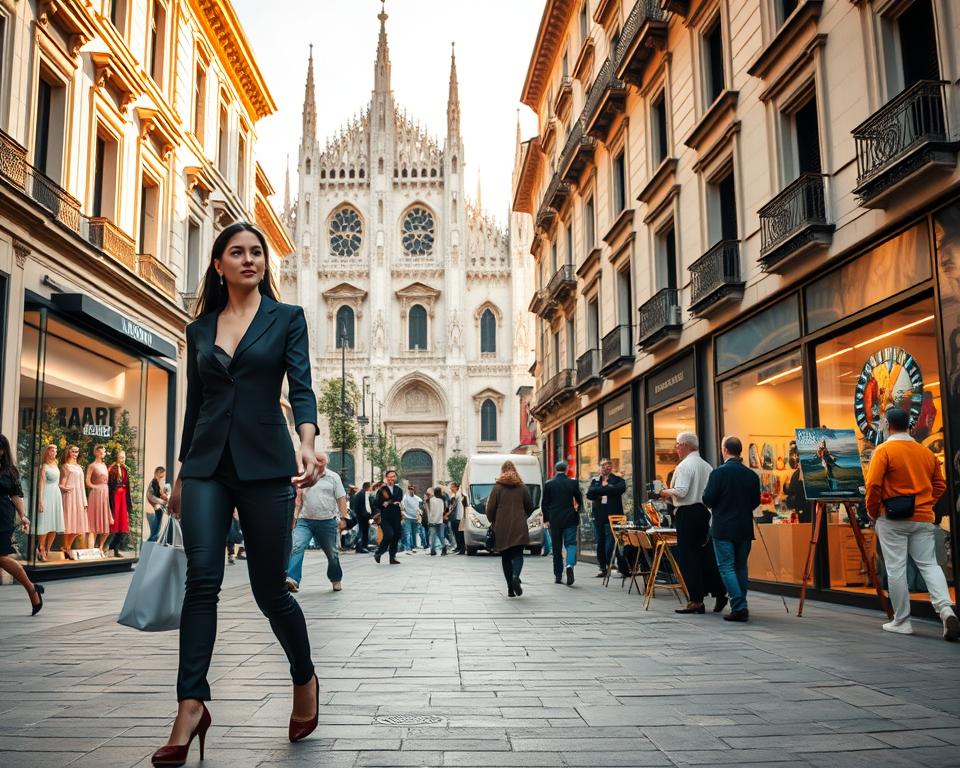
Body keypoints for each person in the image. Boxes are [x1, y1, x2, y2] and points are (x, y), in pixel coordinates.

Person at [155, 222, 322, 766]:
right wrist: (182, 473)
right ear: (219, 264)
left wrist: (307, 440)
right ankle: (190, 704)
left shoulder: (287, 318)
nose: (249, 259)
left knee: (270, 589)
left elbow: (301, 385)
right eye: (237, 252)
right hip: (206, 465)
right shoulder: (200, 329)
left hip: (266, 465)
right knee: (202, 581)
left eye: (257, 253)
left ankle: (304, 677)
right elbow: (197, 403)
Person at [865, 407, 959, 640]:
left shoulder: (883, 451)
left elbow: (874, 485)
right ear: (910, 425)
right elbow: (940, 485)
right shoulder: (924, 452)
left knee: (896, 567)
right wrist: (926, 502)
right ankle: (946, 610)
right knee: (929, 564)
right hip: (923, 517)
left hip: (892, 517)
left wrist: (873, 511)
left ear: (887, 425)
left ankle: (902, 621)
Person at [660, 432, 726, 614]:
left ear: (686, 445)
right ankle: (719, 592)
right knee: (706, 556)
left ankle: (696, 600)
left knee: (689, 558)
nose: (676, 448)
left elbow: (681, 491)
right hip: (703, 512)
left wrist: (664, 492)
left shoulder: (684, 466)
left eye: (677, 445)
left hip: (688, 514)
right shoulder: (707, 466)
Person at [702, 436, 761, 622]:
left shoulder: (719, 473)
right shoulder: (751, 475)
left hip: (724, 527)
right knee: (741, 566)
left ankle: (739, 607)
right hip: (744, 526)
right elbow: (755, 501)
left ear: (724, 450)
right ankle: (740, 604)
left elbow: (708, 499)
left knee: (726, 567)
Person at [286, 452, 348, 593]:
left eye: (321, 461)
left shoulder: (333, 477)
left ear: (325, 462)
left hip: (327, 521)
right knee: (296, 546)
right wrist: (294, 519)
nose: (318, 463)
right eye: (316, 460)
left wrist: (343, 518)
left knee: (332, 554)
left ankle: (335, 578)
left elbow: (341, 498)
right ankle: (292, 579)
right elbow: (298, 501)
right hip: (305, 520)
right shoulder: (306, 477)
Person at [0, 434, 45, 615]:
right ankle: (32, 588)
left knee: (1, 557)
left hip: (2, 515)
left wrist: (23, 516)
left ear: (3, 451)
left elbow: (16, 495)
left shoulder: (9, 471)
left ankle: (31, 587)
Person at [485, 460, 534, 597]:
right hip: (519, 526)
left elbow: (490, 508)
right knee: (518, 554)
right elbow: (530, 506)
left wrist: (493, 521)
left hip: (502, 527)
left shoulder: (497, 488)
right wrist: (523, 516)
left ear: (502, 471)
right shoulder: (522, 487)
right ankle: (515, 576)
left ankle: (510, 589)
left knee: (506, 557)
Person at [542, 461, 583, 586]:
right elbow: (579, 499)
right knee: (570, 544)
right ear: (567, 469)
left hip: (555, 520)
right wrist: (577, 509)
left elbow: (545, 503)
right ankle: (569, 564)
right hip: (570, 518)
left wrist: (546, 519)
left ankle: (558, 575)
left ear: (555, 469)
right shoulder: (572, 482)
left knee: (557, 548)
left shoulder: (549, 484)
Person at [586, 458, 627, 578]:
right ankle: (603, 568)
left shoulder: (618, 480)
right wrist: (607, 489)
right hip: (599, 516)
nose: (606, 467)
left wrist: (601, 491)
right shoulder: (595, 480)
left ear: (612, 467)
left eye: (608, 465)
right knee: (600, 542)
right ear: (600, 467)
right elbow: (590, 494)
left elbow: (619, 489)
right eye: (603, 465)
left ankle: (617, 566)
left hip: (614, 516)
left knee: (612, 543)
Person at [373, 469, 403, 564]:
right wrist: (383, 503)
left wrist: (389, 502)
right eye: (389, 477)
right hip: (385, 517)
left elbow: (398, 499)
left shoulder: (399, 490)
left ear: (395, 477)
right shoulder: (382, 490)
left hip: (396, 516)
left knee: (397, 535)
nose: (391, 479)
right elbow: (376, 503)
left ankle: (392, 557)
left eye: (393, 476)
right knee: (389, 534)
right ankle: (378, 552)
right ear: (386, 478)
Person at [146, 467, 169, 543]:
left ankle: (153, 541)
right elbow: (151, 496)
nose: (162, 479)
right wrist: (162, 501)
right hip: (153, 510)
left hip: (156, 509)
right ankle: (151, 542)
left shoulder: (156, 483)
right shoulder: (153, 483)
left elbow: (158, 494)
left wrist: (163, 496)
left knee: (156, 528)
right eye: (161, 477)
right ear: (157, 474)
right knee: (154, 530)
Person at [351, 481, 372, 553]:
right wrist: (367, 514)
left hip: (363, 516)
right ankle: (360, 547)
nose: (371, 488)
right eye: (370, 487)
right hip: (362, 516)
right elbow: (365, 506)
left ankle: (364, 546)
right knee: (362, 531)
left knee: (365, 531)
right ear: (367, 487)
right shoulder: (362, 494)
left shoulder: (362, 494)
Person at [401, 484, 422, 553]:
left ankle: (413, 547)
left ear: (414, 490)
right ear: (408, 489)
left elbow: (419, 508)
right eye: (409, 489)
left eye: (412, 489)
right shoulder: (405, 497)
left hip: (415, 518)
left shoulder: (417, 498)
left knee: (414, 533)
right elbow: (402, 506)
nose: (411, 490)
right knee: (408, 533)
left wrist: (419, 516)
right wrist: (403, 514)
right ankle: (408, 548)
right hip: (407, 517)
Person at [427, 485, 447, 556]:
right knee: (441, 536)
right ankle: (444, 549)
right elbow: (442, 511)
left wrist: (430, 520)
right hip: (440, 520)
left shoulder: (431, 500)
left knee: (433, 536)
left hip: (432, 521)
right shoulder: (442, 500)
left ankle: (433, 550)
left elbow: (431, 511)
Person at [447, 482, 465, 554]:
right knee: (456, 533)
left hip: (458, 517)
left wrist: (445, 514)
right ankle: (459, 547)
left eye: (452, 487)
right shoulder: (455, 495)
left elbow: (451, 506)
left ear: (456, 487)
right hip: (456, 517)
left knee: (459, 533)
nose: (451, 488)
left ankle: (462, 549)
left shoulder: (457, 495)